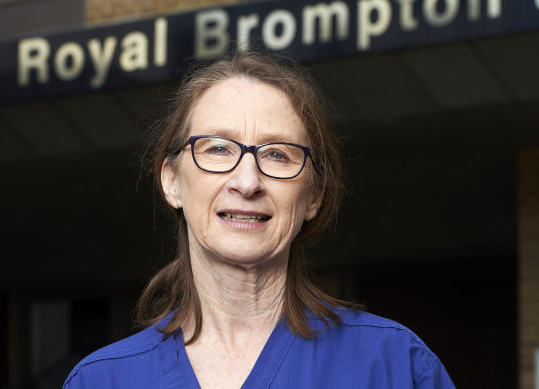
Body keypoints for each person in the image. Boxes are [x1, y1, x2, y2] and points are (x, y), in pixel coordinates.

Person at [63, 51, 455, 388]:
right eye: (217, 148)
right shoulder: (101, 380)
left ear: (313, 196)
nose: (247, 182)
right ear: (172, 181)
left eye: (278, 154)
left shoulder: (392, 366)